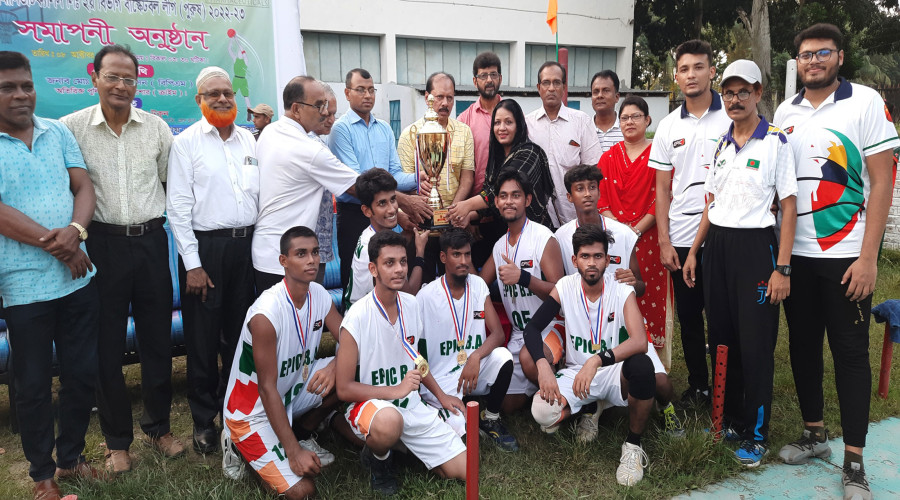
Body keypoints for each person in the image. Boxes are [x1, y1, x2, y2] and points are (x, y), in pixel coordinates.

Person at [774, 24, 899, 500]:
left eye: (822, 52)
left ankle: (854, 461)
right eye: (806, 55)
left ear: (840, 56)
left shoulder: (865, 102)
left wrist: (869, 258)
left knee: (849, 355)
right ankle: (814, 434)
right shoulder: (786, 111)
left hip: (846, 257)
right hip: (797, 256)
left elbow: (882, 182)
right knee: (803, 347)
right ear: (798, 62)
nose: (814, 61)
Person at [60, 44, 184, 474]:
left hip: (150, 243)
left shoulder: (156, 128)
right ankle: (117, 441)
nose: (121, 85)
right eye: (112, 76)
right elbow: (66, 189)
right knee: (106, 346)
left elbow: (171, 182)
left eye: (129, 78)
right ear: (94, 77)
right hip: (101, 246)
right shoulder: (71, 129)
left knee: (157, 340)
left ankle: (159, 427)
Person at [683, 59, 799, 467]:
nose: (735, 100)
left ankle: (756, 433)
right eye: (729, 93)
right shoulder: (721, 143)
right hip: (717, 247)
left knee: (755, 344)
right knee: (722, 338)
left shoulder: (776, 141)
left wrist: (782, 268)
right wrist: (695, 250)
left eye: (743, 92)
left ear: (758, 93)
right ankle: (729, 419)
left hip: (755, 250)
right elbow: (711, 203)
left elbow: (788, 207)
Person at [0, 51, 104, 499]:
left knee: (82, 374)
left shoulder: (57, 131)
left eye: (26, 85)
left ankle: (72, 458)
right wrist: (60, 247)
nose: (20, 95)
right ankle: (43, 475)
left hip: (78, 279)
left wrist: (77, 231)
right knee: (33, 385)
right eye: (7, 88)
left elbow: (83, 185)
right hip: (24, 287)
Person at [167, 66, 259, 454]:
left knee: (240, 336)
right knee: (203, 339)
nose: (222, 99)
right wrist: (192, 264)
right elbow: (177, 207)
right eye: (213, 94)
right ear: (199, 100)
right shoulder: (186, 143)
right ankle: (204, 421)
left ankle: (235, 413)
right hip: (206, 251)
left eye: (227, 93)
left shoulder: (249, 140)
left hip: (247, 248)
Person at [556, 165, 684, 442]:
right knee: (588, 377)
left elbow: (641, 286)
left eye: (592, 187)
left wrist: (633, 281)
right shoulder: (561, 237)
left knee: (660, 383)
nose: (587, 194)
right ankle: (591, 407)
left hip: (622, 328)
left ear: (599, 192)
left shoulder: (623, 234)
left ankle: (666, 407)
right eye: (580, 189)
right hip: (585, 330)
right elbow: (561, 288)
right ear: (569, 196)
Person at [335, 230, 467, 496]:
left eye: (403, 261)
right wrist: (395, 391)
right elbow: (344, 389)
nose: (399, 269)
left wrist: (441, 396)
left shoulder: (412, 304)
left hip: (411, 404)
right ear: (373, 269)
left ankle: (399, 447)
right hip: (372, 406)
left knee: (465, 470)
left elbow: (416, 358)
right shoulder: (356, 316)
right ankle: (379, 461)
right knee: (389, 422)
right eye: (389, 263)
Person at [524, 225, 657, 487]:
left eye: (598, 256)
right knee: (542, 412)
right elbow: (532, 329)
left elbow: (640, 341)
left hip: (612, 371)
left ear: (607, 260)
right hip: (577, 372)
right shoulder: (565, 286)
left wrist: (596, 360)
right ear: (575, 260)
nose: (592, 263)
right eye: (585, 256)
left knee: (643, 366)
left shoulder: (621, 288)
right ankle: (589, 406)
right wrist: (543, 366)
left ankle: (632, 445)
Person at [221, 226, 344, 499]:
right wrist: (293, 452)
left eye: (315, 252)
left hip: (291, 390)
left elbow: (351, 342)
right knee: (302, 492)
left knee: (351, 370)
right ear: (283, 261)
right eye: (301, 254)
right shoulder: (266, 314)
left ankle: (302, 432)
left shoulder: (319, 294)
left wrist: (335, 366)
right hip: (252, 411)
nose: (311, 260)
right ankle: (236, 443)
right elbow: (266, 389)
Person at [649, 40, 731, 405]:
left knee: (722, 315)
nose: (691, 75)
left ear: (712, 71)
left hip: (726, 232)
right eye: (684, 69)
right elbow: (662, 188)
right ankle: (699, 385)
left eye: (698, 67)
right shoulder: (668, 126)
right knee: (689, 315)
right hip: (681, 236)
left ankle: (726, 388)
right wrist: (664, 240)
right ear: (676, 76)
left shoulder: (732, 115)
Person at [416, 228, 519, 451]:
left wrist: (475, 356)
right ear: (443, 257)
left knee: (503, 356)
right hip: (442, 380)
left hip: (473, 369)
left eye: (467, 254)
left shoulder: (478, 285)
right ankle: (451, 412)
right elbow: (416, 355)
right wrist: (436, 392)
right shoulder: (425, 296)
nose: (463, 261)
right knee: (460, 433)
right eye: (456, 255)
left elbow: (498, 334)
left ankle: (490, 417)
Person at [251, 77, 358, 292]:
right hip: (290, 260)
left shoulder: (271, 132)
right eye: (319, 106)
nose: (325, 113)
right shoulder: (309, 149)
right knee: (300, 313)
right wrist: (403, 202)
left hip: (266, 253)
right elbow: (359, 186)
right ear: (296, 109)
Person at [329, 68, 431, 288]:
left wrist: (420, 178)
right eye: (360, 90)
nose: (367, 95)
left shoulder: (384, 128)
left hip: (385, 213)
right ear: (347, 93)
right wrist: (404, 201)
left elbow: (394, 174)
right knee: (357, 281)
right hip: (356, 214)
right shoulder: (340, 130)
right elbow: (359, 183)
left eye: (371, 90)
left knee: (389, 279)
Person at [478, 168, 565, 413]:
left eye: (515, 195)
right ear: (496, 202)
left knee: (529, 357)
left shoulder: (543, 237)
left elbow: (562, 292)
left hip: (551, 327)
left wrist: (524, 278)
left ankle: (569, 397)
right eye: (503, 196)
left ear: (527, 200)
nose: (509, 201)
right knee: (506, 405)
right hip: (519, 333)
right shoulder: (499, 246)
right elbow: (478, 285)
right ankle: (541, 385)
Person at [597, 96, 669, 351]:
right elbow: (601, 198)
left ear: (647, 120)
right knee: (617, 292)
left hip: (650, 237)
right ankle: (617, 352)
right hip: (615, 239)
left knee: (650, 292)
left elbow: (662, 196)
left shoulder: (659, 155)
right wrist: (621, 230)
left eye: (636, 116)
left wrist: (636, 230)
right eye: (624, 118)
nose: (629, 122)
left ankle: (653, 357)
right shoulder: (609, 158)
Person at [397, 71, 475, 281]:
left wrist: (454, 210)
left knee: (458, 285)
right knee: (422, 285)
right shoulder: (410, 134)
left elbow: (467, 178)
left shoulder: (464, 132)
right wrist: (419, 199)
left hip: (453, 226)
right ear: (427, 97)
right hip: (420, 226)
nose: (445, 103)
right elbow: (404, 182)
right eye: (439, 96)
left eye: (450, 97)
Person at [448, 99, 556, 233]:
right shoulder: (497, 158)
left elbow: (500, 190)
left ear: (519, 125)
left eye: (508, 122)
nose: (502, 128)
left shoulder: (530, 153)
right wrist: (469, 216)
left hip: (534, 232)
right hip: (506, 233)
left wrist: (467, 205)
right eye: (497, 123)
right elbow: (492, 201)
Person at [525, 61, 602, 226]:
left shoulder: (581, 121)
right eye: (546, 83)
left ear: (564, 87)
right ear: (539, 87)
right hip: (538, 218)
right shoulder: (527, 124)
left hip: (575, 216)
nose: (551, 88)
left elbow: (593, 170)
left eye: (556, 82)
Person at [343, 168, 428, 309]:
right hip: (366, 318)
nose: (392, 209)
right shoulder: (371, 247)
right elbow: (410, 293)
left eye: (393, 200)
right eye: (382, 203)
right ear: (367, 210)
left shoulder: (371, 234)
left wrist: (408, 233)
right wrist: (420, 252)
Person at [458, 51, 503, 196]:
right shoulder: (464, 120)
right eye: (483, 76)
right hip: (473, 201)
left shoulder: (513, 115)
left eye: (493, 74)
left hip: (507, 199)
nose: (489, 80)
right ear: (475, 81)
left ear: (500, 78)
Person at [310, 87, 339, 285]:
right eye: (327, 114)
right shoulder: (312, 145)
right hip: (308, 246)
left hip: (318, 243)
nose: (331, 119)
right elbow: (350, 184)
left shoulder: (320, 142)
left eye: (333, 114)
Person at [591, 70, 623, 153]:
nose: (600, 95)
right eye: (596, 92)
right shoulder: (584, 128)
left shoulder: (626, 128)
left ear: (617, 97)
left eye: (606, 91)